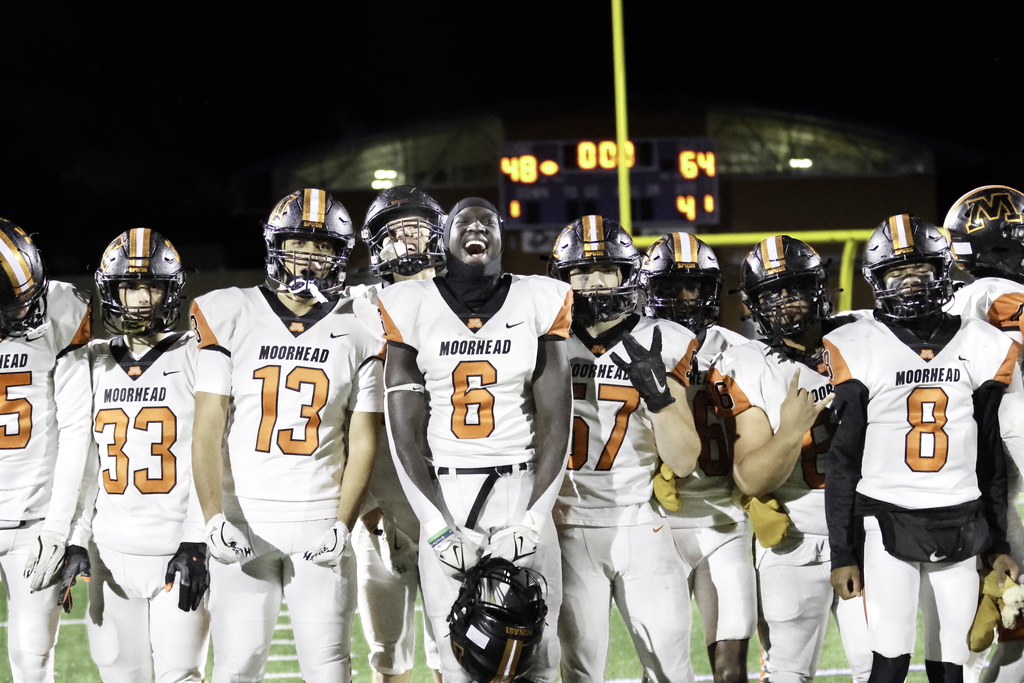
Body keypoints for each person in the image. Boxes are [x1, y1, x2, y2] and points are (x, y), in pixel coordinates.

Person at [189, 188, 384, 682]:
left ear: (340, 256)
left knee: (330, 669)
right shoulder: (230, 313)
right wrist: (212, 519)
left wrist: (344, 522)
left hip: (319, 517)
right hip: (244, 519)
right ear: (275, 245)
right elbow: (207, 429)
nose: (310, 258)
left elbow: (363, 439)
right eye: (299, 243)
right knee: (236, 667)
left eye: (323, 247)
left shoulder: (361, 325)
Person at [377, 197, 573, 683]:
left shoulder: (540, 298)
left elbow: (556, 421)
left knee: (540, 655)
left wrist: (534, 517)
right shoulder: (409, 305)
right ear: (444, 237)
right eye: (463, 220)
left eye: (488, 221)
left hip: (522, 485)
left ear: (502, 236)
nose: (476, 227)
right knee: (459, 659)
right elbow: (404, 433)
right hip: (449, 494)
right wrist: (437, 526)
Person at [824, 214, 1020, 683]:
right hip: (886, 518)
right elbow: (844, 461)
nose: (910, 283)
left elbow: (989, 458)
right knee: (887, 666)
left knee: (950, 668)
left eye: (921, 270)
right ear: (877, 281)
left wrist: (997, 544)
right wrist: (843, 553)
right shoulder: (857, 342)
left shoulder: (984, 343)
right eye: (897, 272)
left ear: (943, 272)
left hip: (962, 518)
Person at [707, 235, 871, 683]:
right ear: (754, 304)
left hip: (870, 531)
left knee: (878, 666)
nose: (784, 302)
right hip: (793, 539)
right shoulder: (749, 363)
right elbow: (752, 478)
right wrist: (790, 431)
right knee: (787, 674)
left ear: (817, 288)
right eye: (770, 294)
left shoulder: (866, 338)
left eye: (794, 288)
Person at [548, 216, 700, 683]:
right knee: (580, 670)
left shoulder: (664, 340)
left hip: (641, 522)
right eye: (581, 272)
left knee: (671, 666)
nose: (594, 283)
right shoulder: (542, 343)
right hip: (565, 524)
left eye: (607, 271)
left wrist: (658, 397)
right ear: (563, 279)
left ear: (627, 275)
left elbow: (684, 459)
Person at [74, 228, 210, 682]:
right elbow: (82, 459)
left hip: (177, 547)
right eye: (128, 287)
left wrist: (198, 539)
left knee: (182, 674)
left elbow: (214, 453)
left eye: (150, 285)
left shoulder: (198, 355)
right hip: (110, 550)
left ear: (169, 291)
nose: (139, 299)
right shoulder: (91, 360)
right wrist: (75, 536)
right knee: (119, 675)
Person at [639, 232, 756, 683]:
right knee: (664, 671)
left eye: (695, 286)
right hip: (653, 525)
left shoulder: (739, 349)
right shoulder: (633, 348)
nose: (685, 298)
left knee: (731, 672)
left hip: (723, 517)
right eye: (671, 286)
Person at [354, 185, 445, 683]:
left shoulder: (465, 303)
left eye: (419, 228)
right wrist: (367, 511)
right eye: (397, 230)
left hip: (446, 495)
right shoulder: (355, 309)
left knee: (449, 649)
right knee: (386, 656)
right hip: (380, 499)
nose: (409, 239)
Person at [0, 217, 92, 683]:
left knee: (33, 661)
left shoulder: (59, 305)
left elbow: (79, 426)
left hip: (34, 520)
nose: (27, 312)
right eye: (11, 307)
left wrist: (61, 528)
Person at [943, 186, 1024, 682]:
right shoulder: (994, 296)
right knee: (1004, 604)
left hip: (971, 460)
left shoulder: (964, 297)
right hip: (997, 444)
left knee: (1002, 611)